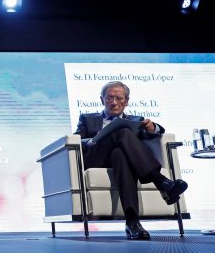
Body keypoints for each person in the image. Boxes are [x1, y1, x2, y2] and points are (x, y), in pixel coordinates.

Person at [75, 81, 188, 240]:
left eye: (119, 98)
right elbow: (76, 139)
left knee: (120, 155)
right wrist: (92, 140)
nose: (114, 102)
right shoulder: (88, 118)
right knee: (121, 131)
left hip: (120, 160)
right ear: (102, 100)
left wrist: (152, 127)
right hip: (97, 158)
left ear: (126, 101)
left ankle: (133, 222)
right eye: (109, 98)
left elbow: (158, 132)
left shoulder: (137, 120)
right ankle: (162, 182)